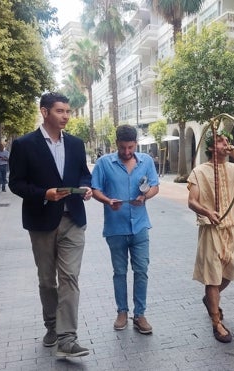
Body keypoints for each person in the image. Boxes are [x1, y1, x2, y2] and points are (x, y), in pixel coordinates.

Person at [8, 92, 93, 357]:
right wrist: (44, 194)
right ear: (44, 112)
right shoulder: (24, 144)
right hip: (41, 221)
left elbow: (84, 174)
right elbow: (16, 183)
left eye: (67, 111)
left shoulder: (77, 144)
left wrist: (86, 188)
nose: (66, 116)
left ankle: (67, 338)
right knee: (47, 280)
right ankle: (52, 326)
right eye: (60, 111)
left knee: (69, 277)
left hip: (73, 220)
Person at [187, 129, 234, 343]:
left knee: (229, 273)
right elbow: (192, 201)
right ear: (210, 147)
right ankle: (216, 321)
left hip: (233, 227)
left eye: (227, 140)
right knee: (212, 276)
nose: (226, 143)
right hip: (211, 229)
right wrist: (207, 212)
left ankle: (210, 299)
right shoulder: (199, 171)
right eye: (220, 141)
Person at [91, 125, 159, 335]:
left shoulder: (146, 161)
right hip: (115, 228)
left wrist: (145, 196)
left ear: (135, 144)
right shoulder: (104, 163)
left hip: (140, 226)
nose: (127, 152)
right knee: (119, 272)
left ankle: (139, 314)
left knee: (141, 271)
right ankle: (122, 311)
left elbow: (155, 186)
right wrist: (107, 200)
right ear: (116, 143)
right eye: (123, 148)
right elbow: (95, 189)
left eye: (130, 147)